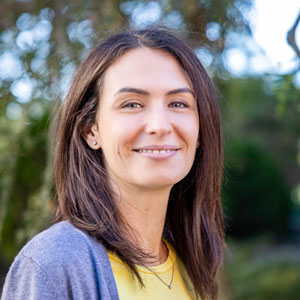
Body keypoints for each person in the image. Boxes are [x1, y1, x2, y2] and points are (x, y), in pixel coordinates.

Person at [1, 27, 224, 300]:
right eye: (132, 104)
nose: (160, 125)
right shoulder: (53, 264)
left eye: (178, 104)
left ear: (200, 131)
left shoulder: (192, 262)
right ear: (90, 131)